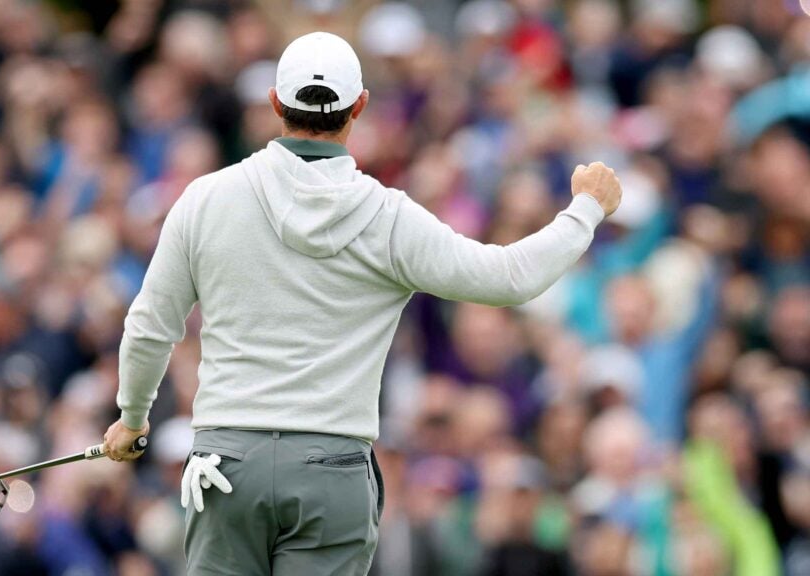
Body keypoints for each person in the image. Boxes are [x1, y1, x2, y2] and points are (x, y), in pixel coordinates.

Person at [102, 31, 622, 575]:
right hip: (331, 472)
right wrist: (585, 209)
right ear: (360, 106)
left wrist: (132, 418)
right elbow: (510, 277)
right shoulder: (388, 217)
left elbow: (150, 326)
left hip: (226, 466)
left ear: (276, 103)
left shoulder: (206, 199)